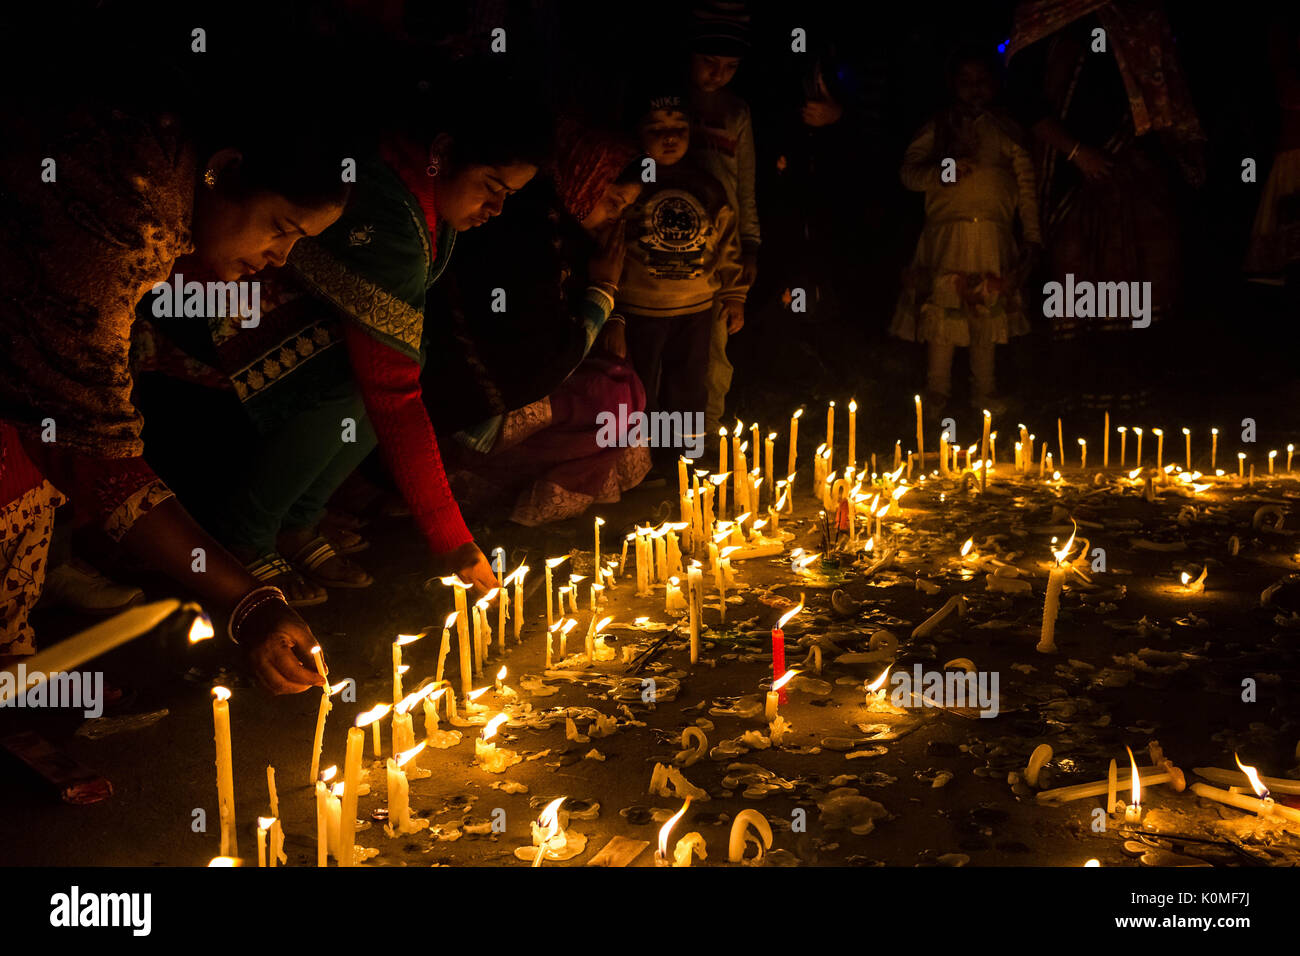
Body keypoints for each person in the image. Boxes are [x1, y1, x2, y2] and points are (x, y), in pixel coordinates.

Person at [0, 102, 341, 693]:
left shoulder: (160, 169)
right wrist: (249, 602)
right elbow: (98, 453)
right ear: (225, 169)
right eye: (281, 227)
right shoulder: (129, 214)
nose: (280, 258)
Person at [423, 118, 652, 525]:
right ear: (587, 178)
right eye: (613, 202)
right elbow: (543, 362)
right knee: (614, 404)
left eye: (625, 209)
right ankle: (503, 491)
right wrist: (603, 290)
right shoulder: (523, 231)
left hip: (524, 385)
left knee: (622, 382)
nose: (616, 219)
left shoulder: (565, 227)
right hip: (468, 406)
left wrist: (610, 312)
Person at [1005, 0, 1205, 414]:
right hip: (1068, 177)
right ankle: (1070, 412)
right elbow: (1024, 101)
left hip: (1132, 167)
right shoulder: (1046, 14)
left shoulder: (1140, 14)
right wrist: (1078, 153)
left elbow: (1164, 95)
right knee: (1077, 279)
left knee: (1138, 274)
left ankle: (1134, 408)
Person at [890, 48, 1041, 417]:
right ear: (953, 85)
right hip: (947, 237)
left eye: (981, 82)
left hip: (993, 236)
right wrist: (945, 172)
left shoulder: (1007, 130)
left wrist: (1032, 236)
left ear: (993, 85)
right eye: (966, 82)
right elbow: (908, 173)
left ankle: (983, 392)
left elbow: (1026, 186)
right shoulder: (939, 127)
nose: (974, 90)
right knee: (943, 311)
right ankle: (936, 391)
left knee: (985, 312)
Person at [619, 84, 748, 467]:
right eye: (657, 129)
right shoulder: (629, 184)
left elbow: (728, 243)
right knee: (639, 385)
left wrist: (735, 294)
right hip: (639, 305)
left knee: (689, 383)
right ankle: (638, 460)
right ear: (638, 134)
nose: (670, 137)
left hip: (696, 307)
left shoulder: (706, 185)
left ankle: (684, 459)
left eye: (679, 128)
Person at [686, 0, 759, 436]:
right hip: (671, 250)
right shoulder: (670, 106)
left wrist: (750, 244)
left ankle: (707, 433)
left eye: (730, 66)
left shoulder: (736, 113)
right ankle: (660, 444)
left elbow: (745, 187)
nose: (718, 74)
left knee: (715, 347)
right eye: (709, 62)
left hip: (722, 251)